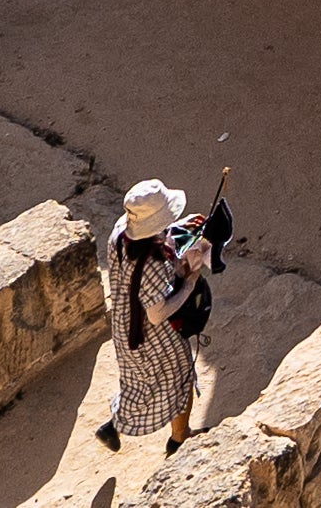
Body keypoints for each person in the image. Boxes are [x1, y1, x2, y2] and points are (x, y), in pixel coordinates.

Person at [101, 174, 235, 451]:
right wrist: (188, 285)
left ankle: (113, 427)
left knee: (138, 382)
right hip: (151, 335)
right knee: (181, 375)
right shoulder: (150, 263)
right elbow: (156, 314)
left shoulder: (119, 231)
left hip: (124, 324)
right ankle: (179, 437)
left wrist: (180, 227)